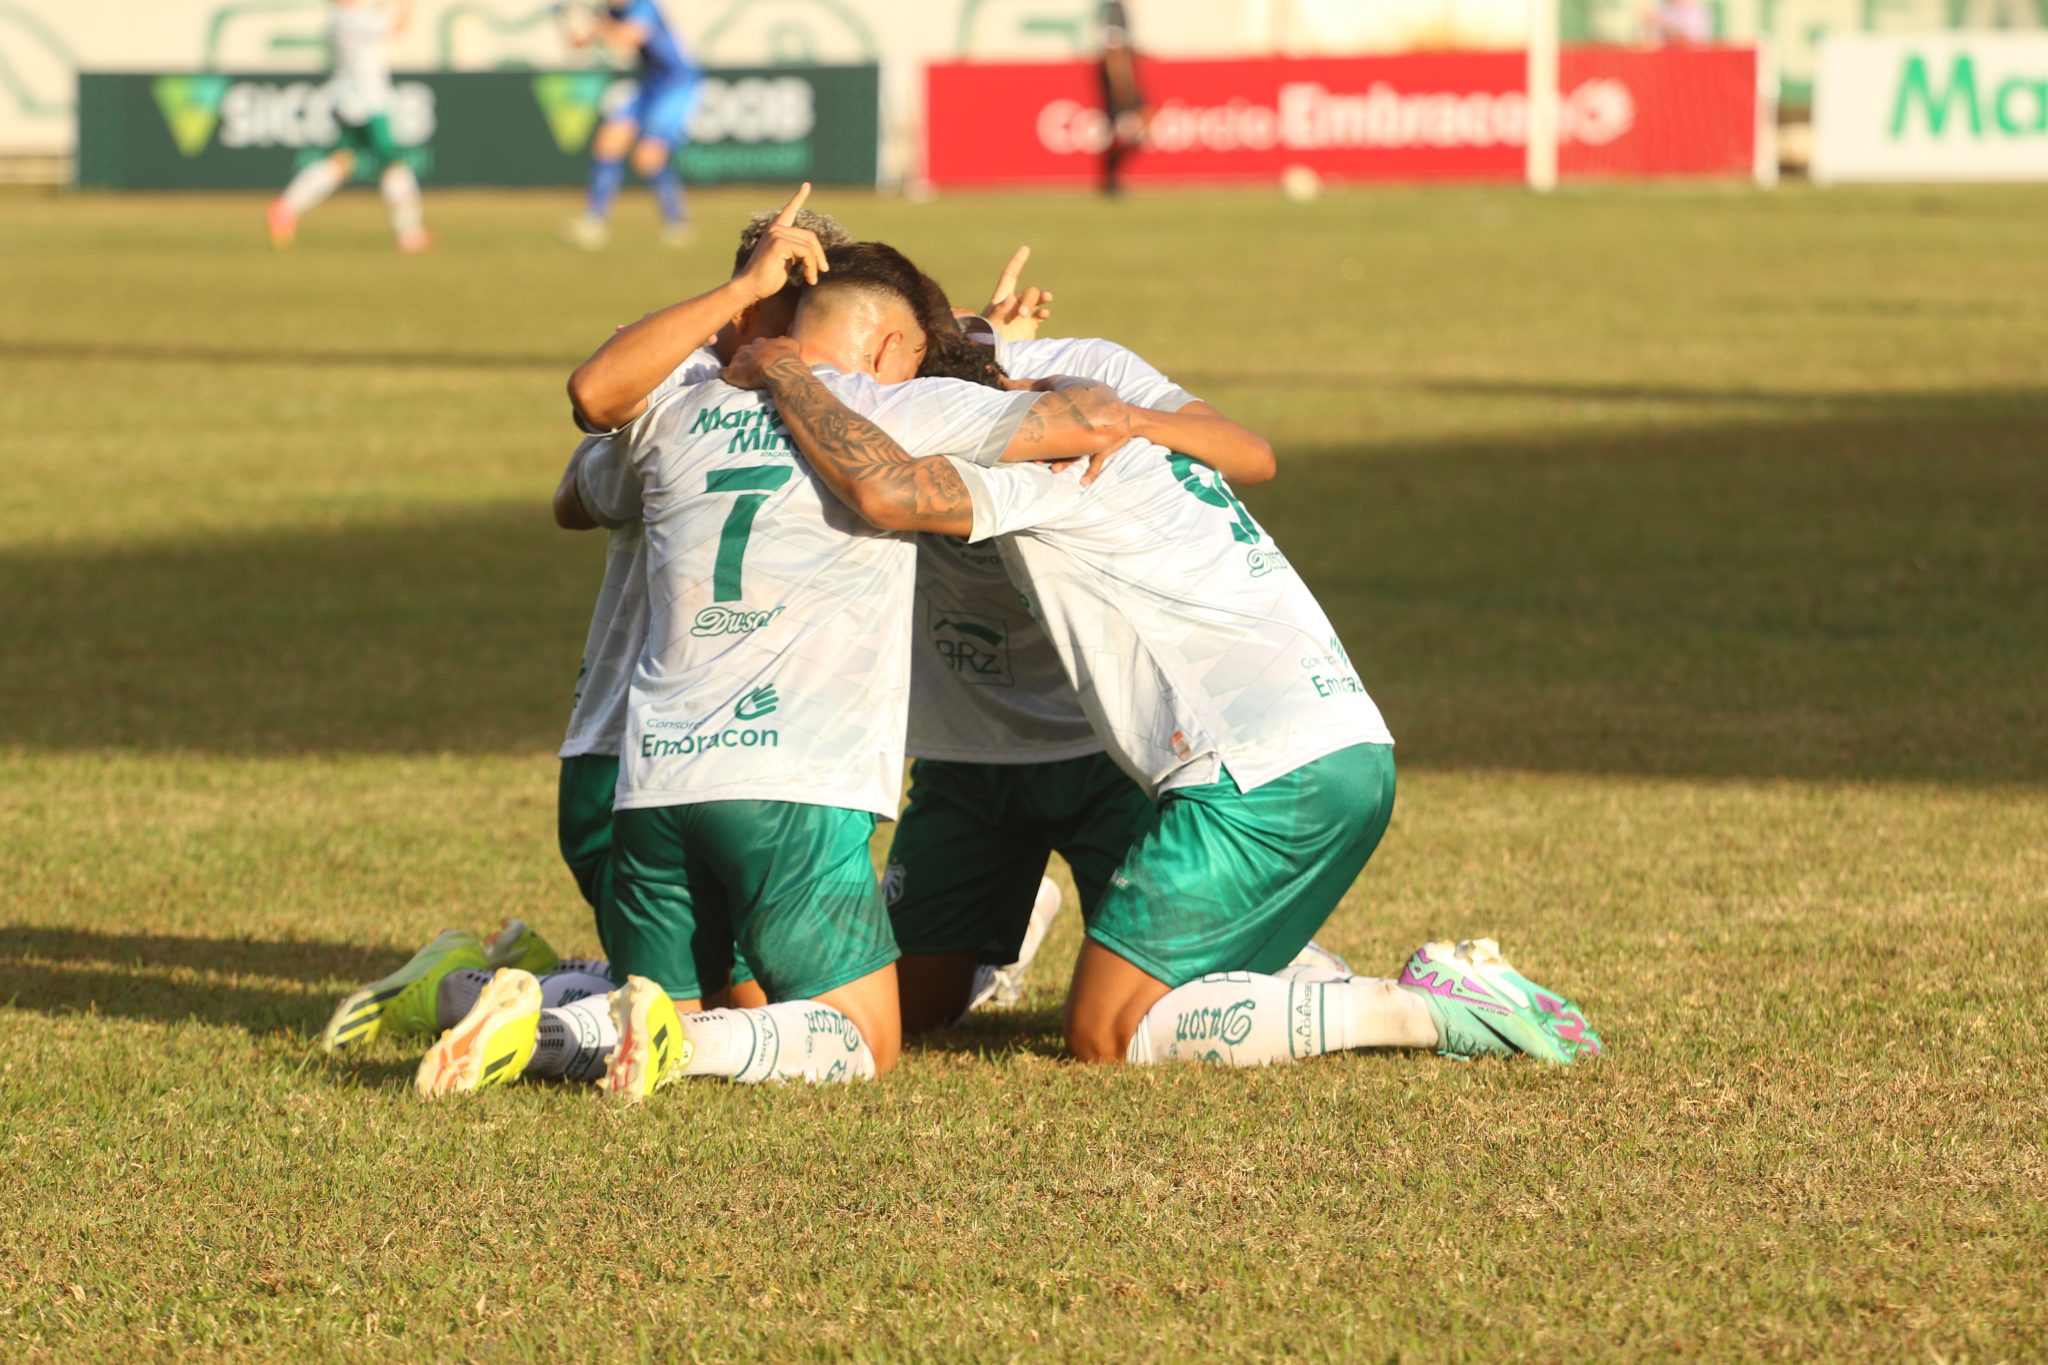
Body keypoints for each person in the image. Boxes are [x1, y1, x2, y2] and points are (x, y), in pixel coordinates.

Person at [724, 335, 1605, 1071]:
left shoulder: (1048, 468)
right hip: (1335, 744)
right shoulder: (1127, 433)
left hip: (1256, 773)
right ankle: (1308, 977)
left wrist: (787, 374)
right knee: (1131, 992)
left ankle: (1425, 1008)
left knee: (1107, 1031)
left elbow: (887, 490)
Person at [443, 243, 1135, 1101]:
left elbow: (584, 452)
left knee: (673, 1006)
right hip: (789, 781)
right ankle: (658, 1042)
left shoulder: (675, 404)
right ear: (888, 352)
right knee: (863, 1037)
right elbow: (1096, 419)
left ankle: (540, 1026)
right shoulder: (893, 407)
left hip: (653, 781)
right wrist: (1002, 367)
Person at [266, 0, 429, 253]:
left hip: (346, 99)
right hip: (370, 103)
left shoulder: (336, 17)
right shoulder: (358, 18)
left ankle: (286, 207)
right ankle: (409, 233)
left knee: (341, 162)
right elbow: (400, 26)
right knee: (393, 165)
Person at [561, 0, 702, 250]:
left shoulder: (643, 6)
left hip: (676, 84)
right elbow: (579, 44)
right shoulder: (612, 12)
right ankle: (595, 221)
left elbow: (627, 39)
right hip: (652, 83)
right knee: (608, 141)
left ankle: (677, 223)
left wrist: (599, 22)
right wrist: (565, 19)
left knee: (647, 159)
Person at [1098, 1, 1148, 196]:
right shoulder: (1115, 11)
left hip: (1125, 77)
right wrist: (1122, 86)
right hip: (1120, 80)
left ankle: (1111, 177)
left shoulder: (1117, 10)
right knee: (1129, 127)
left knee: (1128, 129)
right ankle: (1111, 176)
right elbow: (1114, 52)